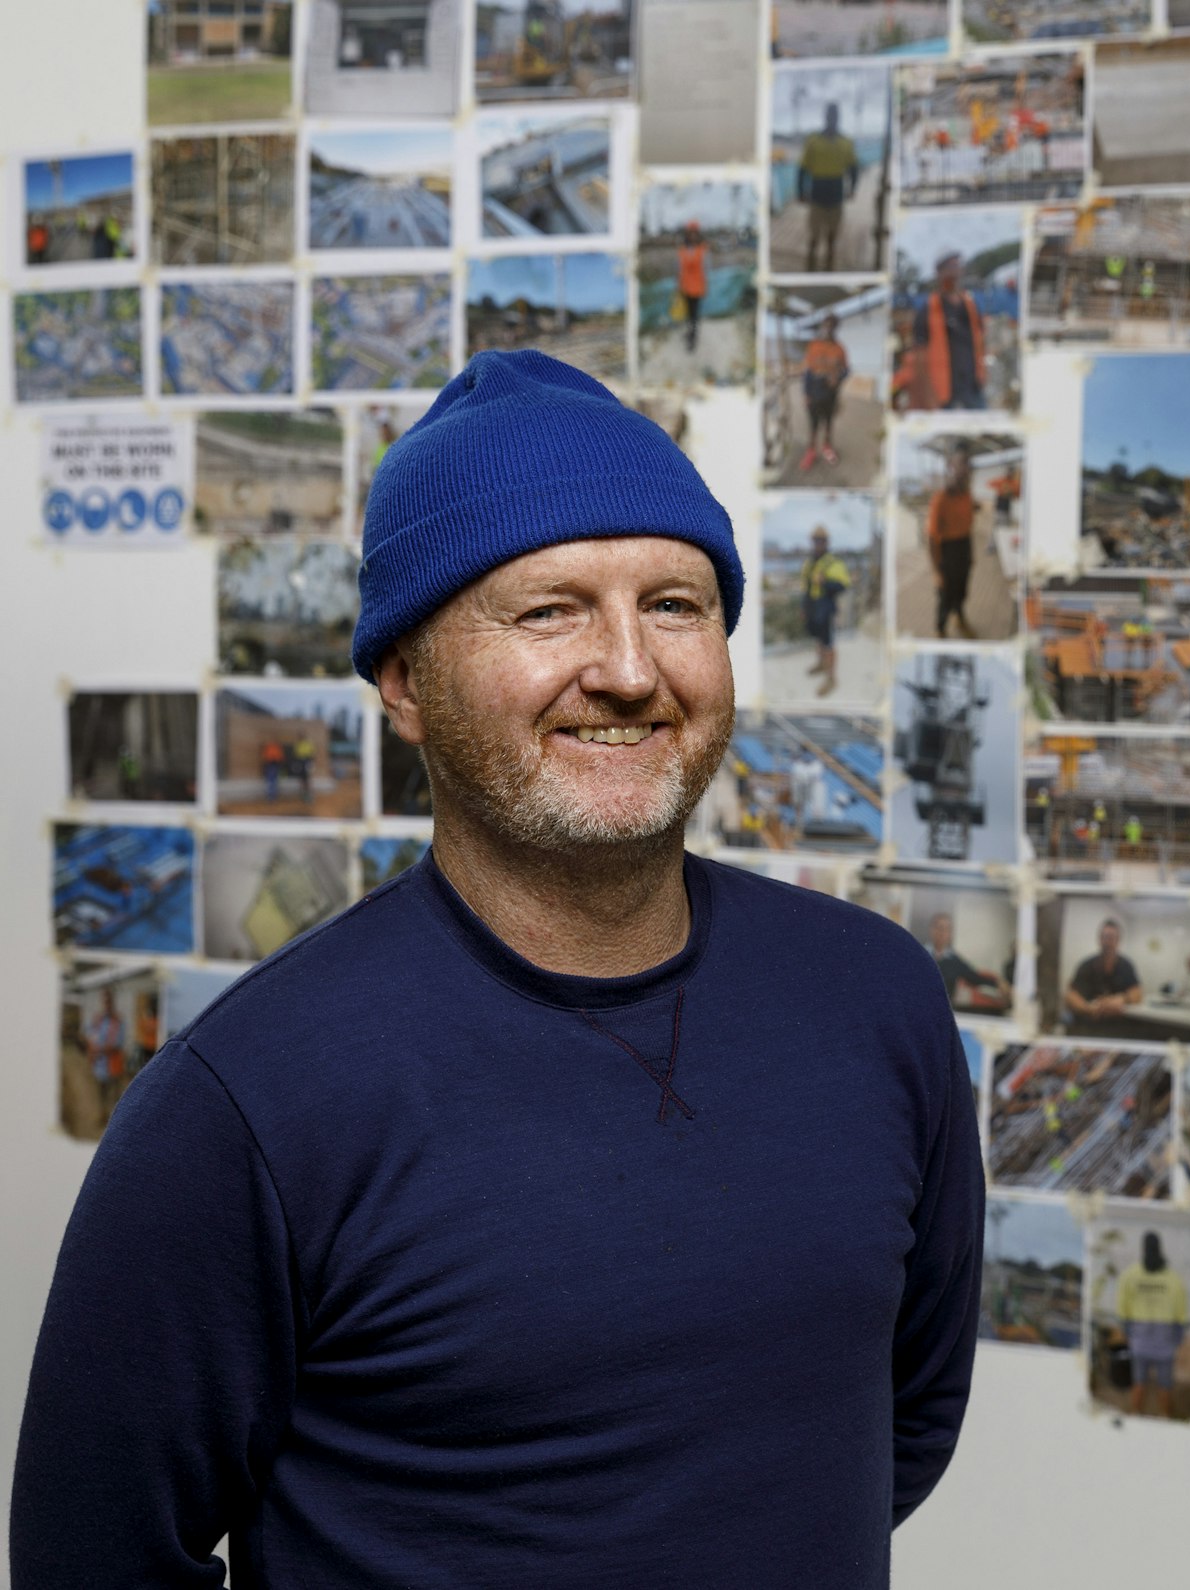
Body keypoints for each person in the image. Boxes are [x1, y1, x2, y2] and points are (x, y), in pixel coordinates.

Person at [11, 349, 982, 1587]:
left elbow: (897, 1427)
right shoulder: (242, 1108)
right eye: (549, 609)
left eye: (675, 605)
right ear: (406, 683)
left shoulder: (876, 998)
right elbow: (90, 1560)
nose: (630, 669)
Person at [1116, 1232, 1188, 1418]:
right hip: (1165, 1344)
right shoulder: (1174, 1279)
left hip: (1139, 1343)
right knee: (1165, 1384)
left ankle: (1135, 1415)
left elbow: (1123, 1312)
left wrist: (1130, 1335)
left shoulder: (1129, 1275)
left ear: (1143, 1249)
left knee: (1138, 1382)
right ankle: (1165, 1417)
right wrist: (1178, 1339)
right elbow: (1182, 1315)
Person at [911, 251, 985, 411]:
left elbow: (980, 339)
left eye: (958, 267)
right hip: (944, 390)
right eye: (950, 267)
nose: (955, 272)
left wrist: (982, 372)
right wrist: (927, 395)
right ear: (939, 273)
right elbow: (919, 356)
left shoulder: (970, 305)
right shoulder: (928, 310)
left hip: (972, 385)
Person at [797, 102, 859, 273]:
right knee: (814, 238)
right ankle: (810, 269)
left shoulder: (846, 142)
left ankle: (829, 270)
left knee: (832, 239)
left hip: (836, 198)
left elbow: (853, 168)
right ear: (825, 117)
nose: (832, 118)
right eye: (829, 115)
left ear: (838, 118)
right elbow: (802, 168)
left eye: (835, 115)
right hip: (816, 197)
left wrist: (853, 188)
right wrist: (800, 192)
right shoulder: (813, 141)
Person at [925, 446, 978, 639]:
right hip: (947, 553)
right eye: (961, 463)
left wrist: (970, 556)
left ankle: (960, 618)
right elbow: (931, 538)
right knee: (945, 595)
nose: (965, 469)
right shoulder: (940, 499)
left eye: (968, 465)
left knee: (962, 589)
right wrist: (936, 571)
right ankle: (940, 629)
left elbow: (968, 527)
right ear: (951, 467)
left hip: (964, 547)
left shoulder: (967, 496)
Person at [1065, 916, 1142, 1033]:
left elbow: (1137, 992)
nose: (1108, 942)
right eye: (1105, 937)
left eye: (1112, 938)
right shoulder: (1086, 965)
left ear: (1118, 940)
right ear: (1099, 939)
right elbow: (1071, 996)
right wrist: (1088, 1009)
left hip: (1118, 1027)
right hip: (1088, 1025)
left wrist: (1121, 999)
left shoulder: (1126, 965)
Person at [801, 524, 851, 697]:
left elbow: (843, 585)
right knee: (818, 638)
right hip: (813, 606)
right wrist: (804, 608)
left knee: (829, 643)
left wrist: (825, 582)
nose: (818, 543)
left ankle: (831, 678)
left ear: (827, 542)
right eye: (815, 540)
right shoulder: (810, 562)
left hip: (826, 606)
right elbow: (806, 586)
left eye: (821, 540)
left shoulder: (834, 563)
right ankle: (821, 664)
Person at [927, 911, 1011, 1012]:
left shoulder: (955, 961)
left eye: (947, 929)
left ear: (950, 934)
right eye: (939, 927)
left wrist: (998, 982)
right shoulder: (917, 954)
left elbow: (975, 978)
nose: (942, 932)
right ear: (931, 930)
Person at [799, 313, 849, 473]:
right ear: (822, 326)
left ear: (836, 328)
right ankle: (811, 451)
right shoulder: (813, 346)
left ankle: (827, 447)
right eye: (826, 325)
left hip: (831, 392)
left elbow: (847, 370)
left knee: (828, 423)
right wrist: (806, 393)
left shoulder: (840, 349)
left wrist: (838, 377)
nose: (828, 329)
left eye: (832, 326)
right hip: (814, 390)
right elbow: (807, 371)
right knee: (813, 425)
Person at [84, 989, 125, 1119]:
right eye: (104, 1001)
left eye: (109, 1001)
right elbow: (89, 1034)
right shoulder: (98, 1019)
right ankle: (102, 1115)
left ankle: (114, 1119)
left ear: (113, 1002)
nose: (106, 1004)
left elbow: (119, 1042)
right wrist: (92, 1048)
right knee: (101, 1092)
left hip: (112, 1063)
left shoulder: (118, 1020)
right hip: (100, 1064)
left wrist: (100, 1050)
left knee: (114, 1094)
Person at [676, 222, 708, 355]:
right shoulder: (683, 250)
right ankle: (689, 333)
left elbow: (706, 268)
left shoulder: (702, 249)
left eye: (695, 233)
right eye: (690, 233)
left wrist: (706, 285)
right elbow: (679, 268)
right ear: (687, 234)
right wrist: (678, 284)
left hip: (697, 288)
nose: (692, 236)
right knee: (688, 314)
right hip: (685, 287)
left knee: (694, 315)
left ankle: (693, 339)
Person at [261, 737, 284, 803]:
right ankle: (271, 795)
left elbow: (280, 757)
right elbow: (265, 757)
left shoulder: (277, 748)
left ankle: (272, 795)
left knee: (274, 781)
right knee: (271, 781)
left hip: (275, 766)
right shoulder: (270, 748)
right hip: (270, 765)